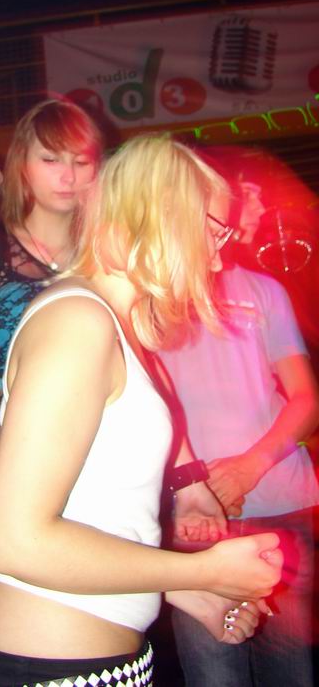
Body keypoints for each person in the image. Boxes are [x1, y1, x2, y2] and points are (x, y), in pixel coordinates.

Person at [0, 134, 283, 687]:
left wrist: (185, 589)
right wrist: (203, 567)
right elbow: (16, 542)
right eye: (215, 231)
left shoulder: (109, 327)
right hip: (41, 671)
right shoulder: (79, 321)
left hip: (76, 665)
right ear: (163, 213)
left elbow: (97, 515)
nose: (219, 258)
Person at [159, 163, 319, 687]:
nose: (226, 235)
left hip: (282, 506)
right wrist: (193, 484)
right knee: (215, 678)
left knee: (290, 674)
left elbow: (306, 399)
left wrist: (248, 468)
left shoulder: (264, 290)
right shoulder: (148, 299)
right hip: (196, 517)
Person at [0, 97, 104, 566]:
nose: (68, 176)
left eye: (81, 161)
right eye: (51, 159)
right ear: (23, 164)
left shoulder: (106, 251)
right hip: (0, 451)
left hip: (94, 448)